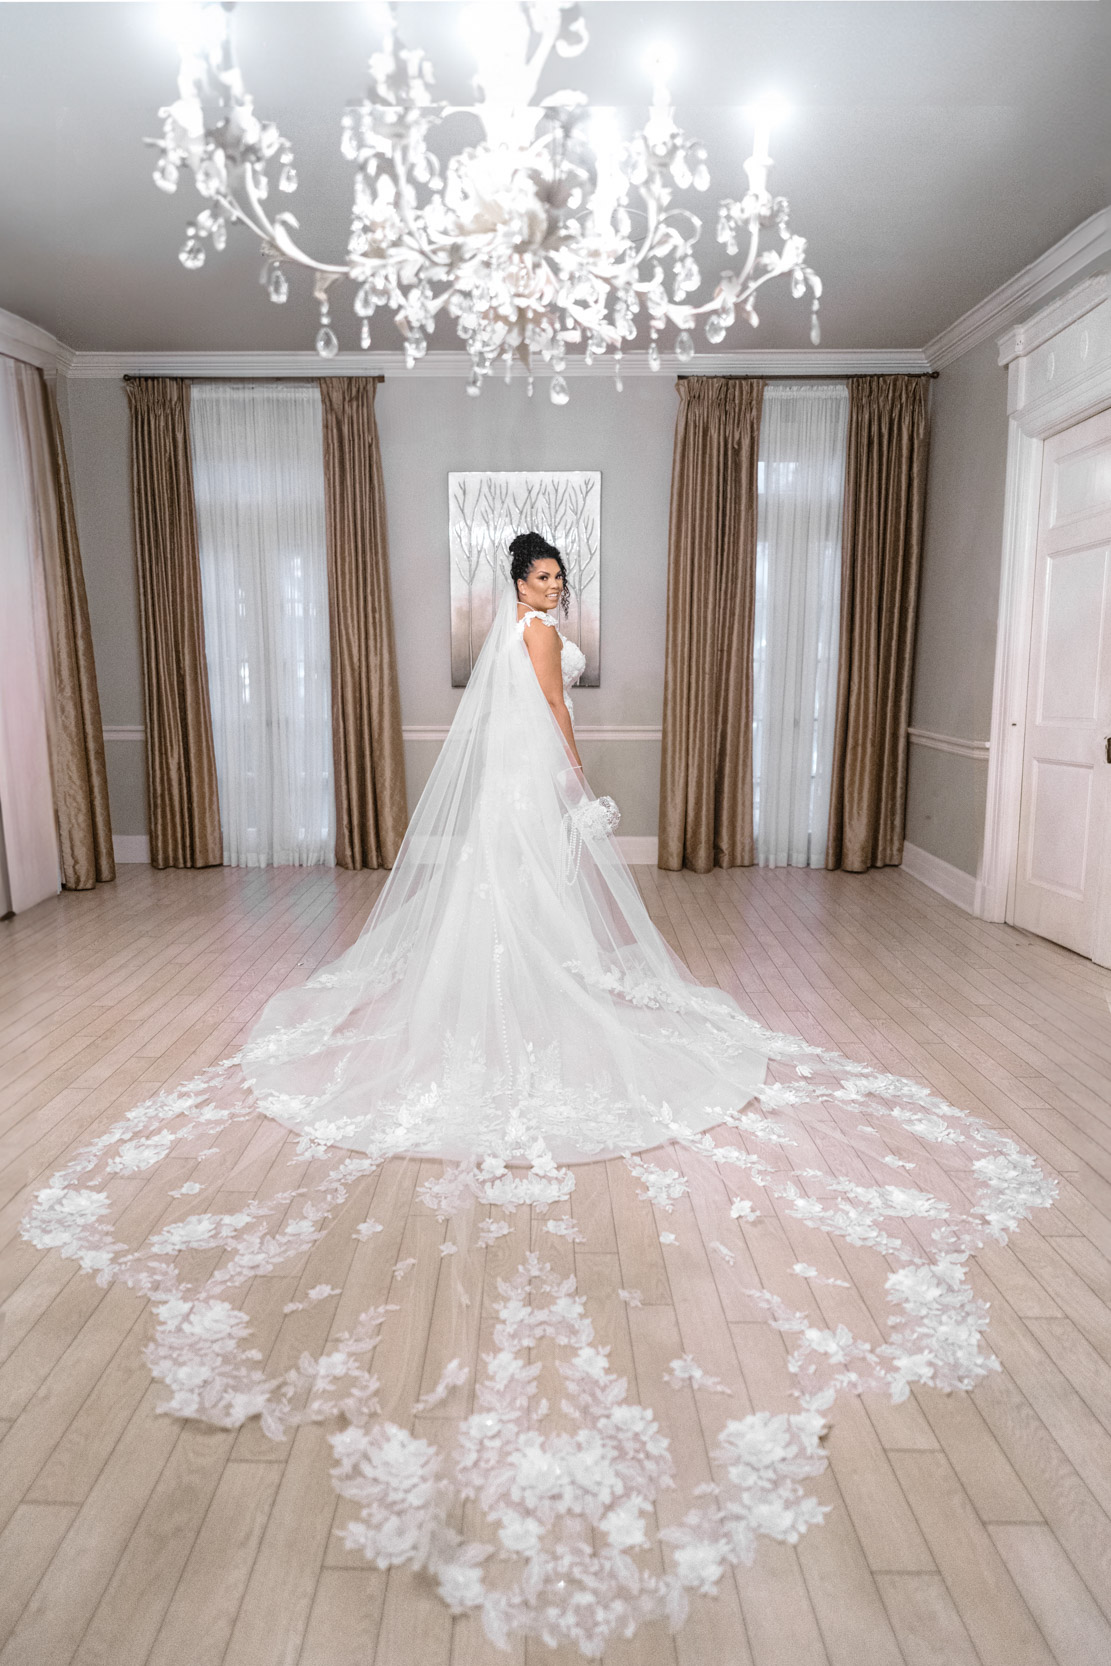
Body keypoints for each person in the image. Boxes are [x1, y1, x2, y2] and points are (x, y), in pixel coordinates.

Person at [23, 529, 1056, 1655]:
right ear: (517, 586)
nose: (553, 592)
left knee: (513, 925)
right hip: (533, 797)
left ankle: (505, 1017)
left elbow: (513, 720)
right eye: (541, 579)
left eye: (560, 580)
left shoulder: (516, 636)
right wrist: (577, 785)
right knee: (540, 925)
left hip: (503, 807)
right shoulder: (540, 640)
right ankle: (527, 1020)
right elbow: (554, 721)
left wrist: (553, 777)